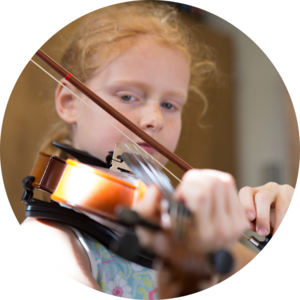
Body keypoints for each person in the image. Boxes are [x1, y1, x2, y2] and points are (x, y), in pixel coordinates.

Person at [20, 1, 294, 299]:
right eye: (127, 96)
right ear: (70, 102)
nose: (154, 119)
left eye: (169, 104)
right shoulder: (46, 243)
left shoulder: (172, 221)